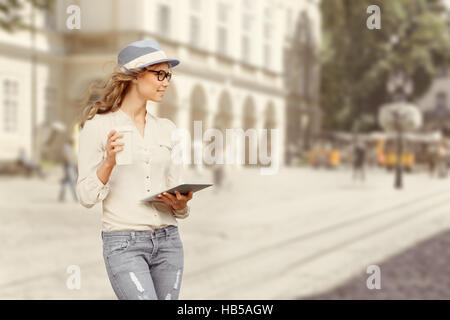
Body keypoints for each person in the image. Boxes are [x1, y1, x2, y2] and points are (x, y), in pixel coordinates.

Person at [76, 39, 193, 300]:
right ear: (134, 76)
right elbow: (84, 196)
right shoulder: (98, 126)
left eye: (168, 75)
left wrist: (180, 204)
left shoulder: (168, 129)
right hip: (124, 243)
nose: (165, 82)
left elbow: (179, 197)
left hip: (169, 241)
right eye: (159, 74)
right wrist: (108, 163)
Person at [58, 137, 78, 202]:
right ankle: (75, 197)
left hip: (70, 166)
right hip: (68, 166)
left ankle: (61, 196)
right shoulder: (67, 148)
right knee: (72, 182)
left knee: (65, 182)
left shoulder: (70, 148)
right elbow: (67, 157)